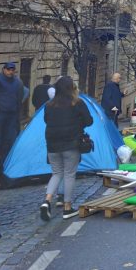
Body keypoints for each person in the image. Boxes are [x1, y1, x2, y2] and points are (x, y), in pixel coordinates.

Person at [40, 76, 93, 221]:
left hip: (52, 144)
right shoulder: (78, 103)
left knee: (56, 173)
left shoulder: (49, 104)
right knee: (69, 174)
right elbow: (89, 121)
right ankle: (67, 207)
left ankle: (47, 201)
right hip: (71, 143)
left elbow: (46, 120)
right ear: (72, 88)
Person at [0, 62, 24, 168]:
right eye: (8, 69)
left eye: (12, 70)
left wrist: (18, 112)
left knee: (10, 138)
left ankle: (6, 161)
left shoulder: (18, 82)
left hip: (12, 115)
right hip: (0, 114)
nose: (11, 72)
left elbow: (20, 97)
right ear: (3, 69)